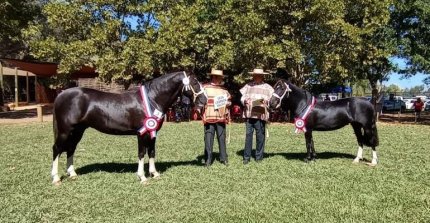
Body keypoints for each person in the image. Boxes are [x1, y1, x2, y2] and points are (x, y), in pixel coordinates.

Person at [240, 68, 274, 164]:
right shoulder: (248, 86)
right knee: (248, 136)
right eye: (255, 75)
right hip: (249, 115)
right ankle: (246, 157)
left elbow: (272, 101)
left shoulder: (268, 87)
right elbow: (242, 98)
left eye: (259, 75)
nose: (257, 77)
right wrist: (244, 101)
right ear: (253, 75)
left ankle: (259, 157)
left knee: (260, 136)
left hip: (261, 115)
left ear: (262, 76)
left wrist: (265, 102)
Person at [202, 69, 231, 166]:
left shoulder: (224, 90)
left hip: (221, 117)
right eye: (216, 77)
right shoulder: (204, 88)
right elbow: (200, 101)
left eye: (219, 77)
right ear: (213, 77)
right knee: (208, 139)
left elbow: (229, 101)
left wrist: (227, 103)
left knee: (221, 138)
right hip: (209, 117)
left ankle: (223, 158)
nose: (218, 79)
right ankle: (208, 160)